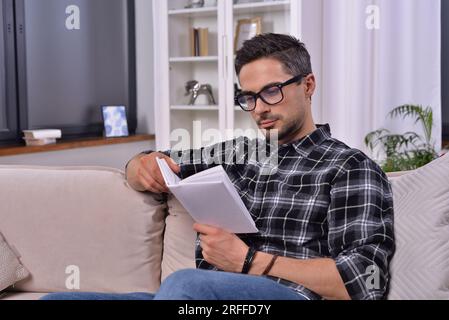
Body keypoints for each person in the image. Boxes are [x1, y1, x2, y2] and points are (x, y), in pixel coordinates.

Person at [42, 33, 394, 301]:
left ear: (308, 85)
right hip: (200, 298)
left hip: (283, 295)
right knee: (59, 299)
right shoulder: (239, 152)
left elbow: (366, 279)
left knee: (183, 284)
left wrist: (248, 261)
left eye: (272, 91)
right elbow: (154, 161)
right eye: (249, 97)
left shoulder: (349, 167)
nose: (259, 109)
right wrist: (141, 165)